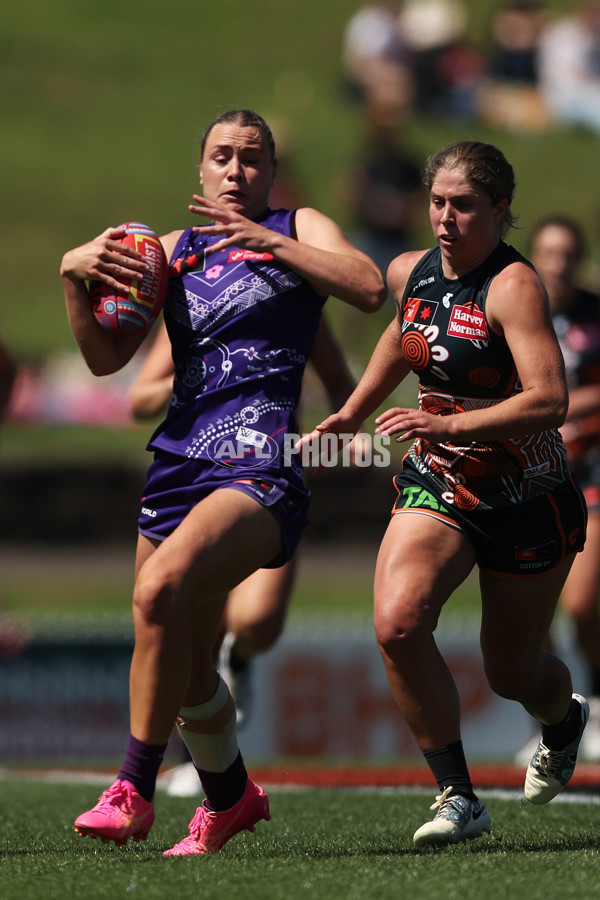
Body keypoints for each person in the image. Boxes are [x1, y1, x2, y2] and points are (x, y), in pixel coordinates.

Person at [60, 108, 386, 856]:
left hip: (260, 459)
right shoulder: (169, 252)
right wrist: (74, 277)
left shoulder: (300, 227)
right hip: (178, 460)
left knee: (159, 592)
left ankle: (132, 790)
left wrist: (268, 239)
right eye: (222, 157)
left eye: (251, 159)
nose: (236, 171)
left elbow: (369, 287)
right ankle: (232, 796)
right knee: (181, 660)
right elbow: (108, 363)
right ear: (199, 172)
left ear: (271, 175)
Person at [300, 141, 589, 848]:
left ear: (499, 210)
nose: (446, 219)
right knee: (398, 623)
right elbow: (404, 333)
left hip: (526, 493)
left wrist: (443, 418)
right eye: (437, 203)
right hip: (440, 481)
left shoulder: (514, 286)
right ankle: (458, 795)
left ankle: (564, 719)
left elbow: (551, 400)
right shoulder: (410, 269)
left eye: (464, 206)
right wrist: (355, 410)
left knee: (512, 671)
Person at [128, 313, 358, 797]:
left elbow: (342, 385)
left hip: (264, 479)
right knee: (183, 628)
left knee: (257, 621)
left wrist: (344, 436)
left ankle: (242, 660)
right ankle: (194, 767)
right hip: (192, 482)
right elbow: (140, 400)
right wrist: (205, 367)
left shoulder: (298, 303)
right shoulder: (193, 309)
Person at [513, 215, 600, 762]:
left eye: (569, 253)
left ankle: (594, 696)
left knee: (584, 606)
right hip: (526, 478)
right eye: (548, 252)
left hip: (591, 474)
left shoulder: (596, 314)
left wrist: (561, 410)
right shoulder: (515, 310)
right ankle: (549, 721)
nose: (559, 263)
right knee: (524, 616)